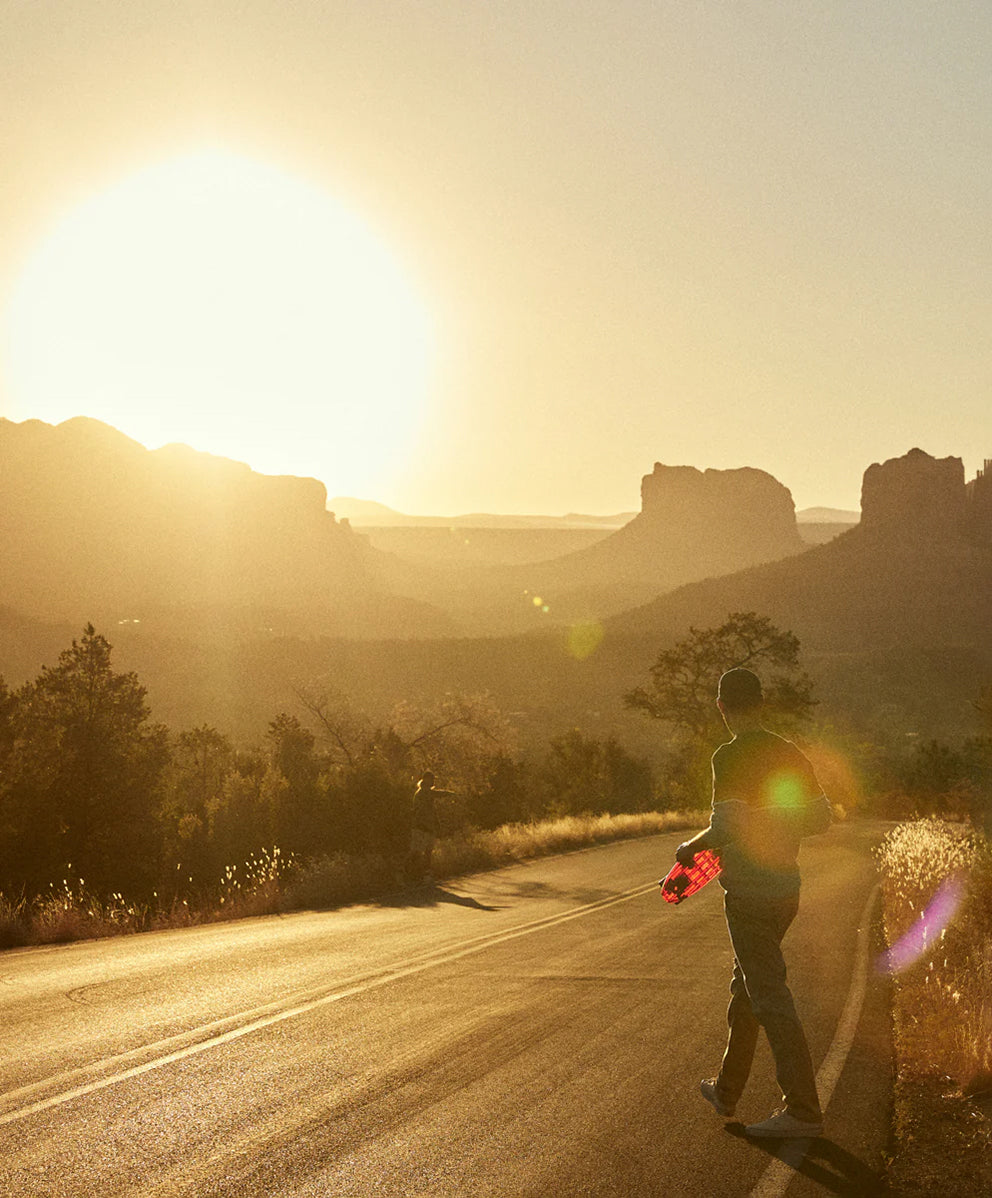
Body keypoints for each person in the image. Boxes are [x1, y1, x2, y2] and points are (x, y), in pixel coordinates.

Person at [673, 667, 832, 1139]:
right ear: (762, 703)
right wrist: (772, 818)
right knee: (747, 987)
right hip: (787, 891)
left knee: (769, 997)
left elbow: (725, 827)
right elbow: (822, 818)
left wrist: (688, 849)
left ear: (721, 707)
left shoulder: (729, 756)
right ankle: (727, 1090)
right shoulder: (789, 751)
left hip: (748, 897)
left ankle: (803, 1111)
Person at [408, 771, 449, 884]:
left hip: (428, 828)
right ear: (426, 779)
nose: (433, 781)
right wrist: (450, 794)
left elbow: (432, 812)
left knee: (428, 852)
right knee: (417, 852)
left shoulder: (427, 793)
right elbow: (437, 794)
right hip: (420, 827)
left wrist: (437, 824)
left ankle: (424, 875)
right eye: (432, 779)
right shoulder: (422, 792)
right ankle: (409, 874)